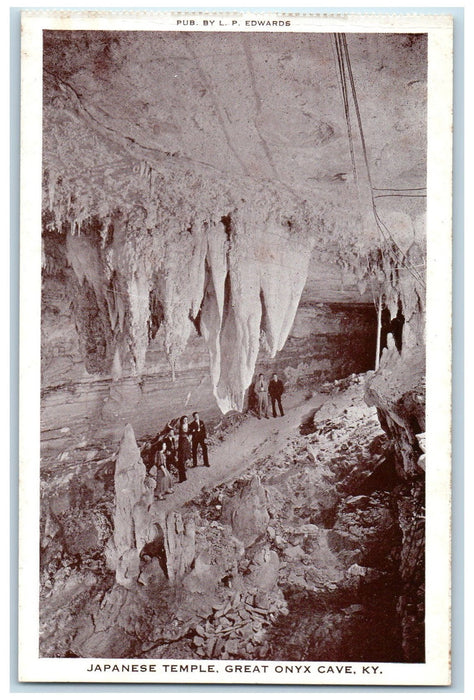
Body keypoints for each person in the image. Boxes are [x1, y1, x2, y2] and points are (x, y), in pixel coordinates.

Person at [177, 415, 192, 483]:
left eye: (186, 419)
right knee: (181, 460)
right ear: (182, 420)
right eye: (184, 419)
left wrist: (189, 438)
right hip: (182, 444)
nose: (185, 420)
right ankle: (182, 477)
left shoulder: (188, 426)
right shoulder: (180, 427)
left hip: (187, 444)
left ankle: (184, 475)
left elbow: (191, 433)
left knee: (184, 459)